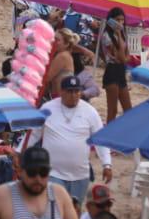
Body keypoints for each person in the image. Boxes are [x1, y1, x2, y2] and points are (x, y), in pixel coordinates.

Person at [36, 75, 112, 211]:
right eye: (70, 91)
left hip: (80, 174)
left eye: (77, 91)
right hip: (54, 173)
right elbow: (33, 135)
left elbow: (100, 139)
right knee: (55, 211)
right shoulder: (47, 108)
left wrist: (107, 164)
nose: (74, 95)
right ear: (61, 92)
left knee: (74, 211)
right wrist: (20, 153)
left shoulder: (90, 111)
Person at [99, 8, 132, 122]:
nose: (120, 23)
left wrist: (120, 37)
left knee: (128, 110)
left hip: (121, 72)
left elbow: (128, 57)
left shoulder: (122, 35)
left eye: (122, 20)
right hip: (112, 72)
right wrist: (118, 36)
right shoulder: (107, 36)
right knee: (112, 111)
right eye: (117, 20)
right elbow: (123, 58)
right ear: (111, 21)